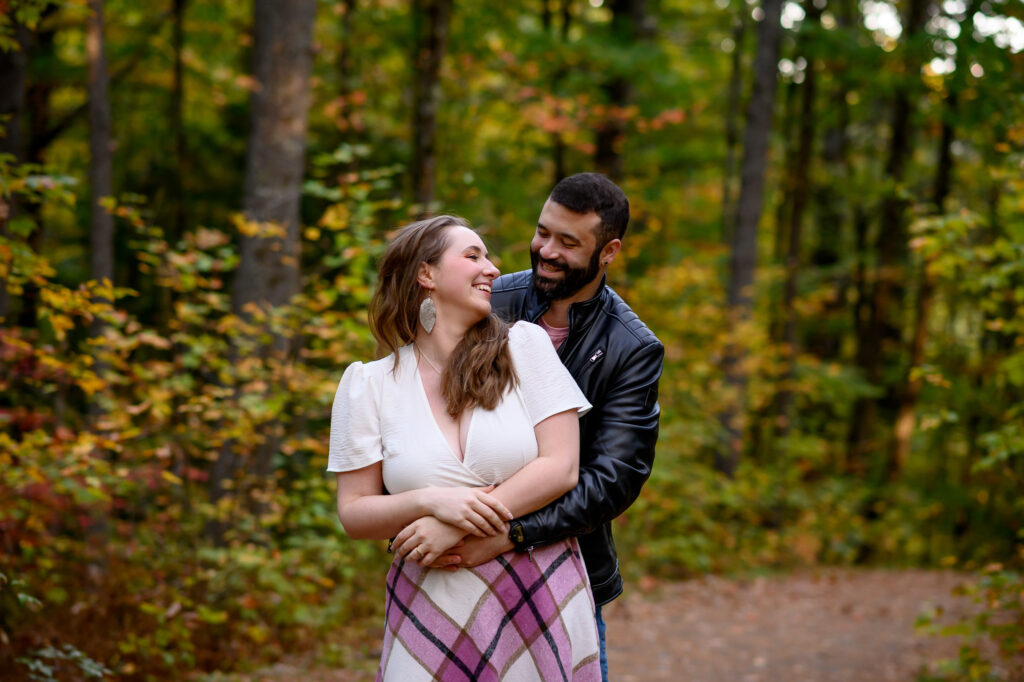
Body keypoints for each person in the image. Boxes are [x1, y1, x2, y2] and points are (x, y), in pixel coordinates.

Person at [328, 215, 602, 681]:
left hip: (536, 584)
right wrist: (429, 502)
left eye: (488, 256)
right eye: (473, 255)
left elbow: (561, 466)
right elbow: (354, 512)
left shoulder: (525, 346)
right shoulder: (368, 384)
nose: (493, 268)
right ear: (426, 274)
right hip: (434, 597)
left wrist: (453, 527)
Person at [436, 173, 664, 681]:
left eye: (568, 242)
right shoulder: (488, 302)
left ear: (609, 251)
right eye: (543, 232)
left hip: (568, 568)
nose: (547, 250)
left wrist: (512, 533)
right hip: (453, 563)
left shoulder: (632, 348)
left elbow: (613, 478)